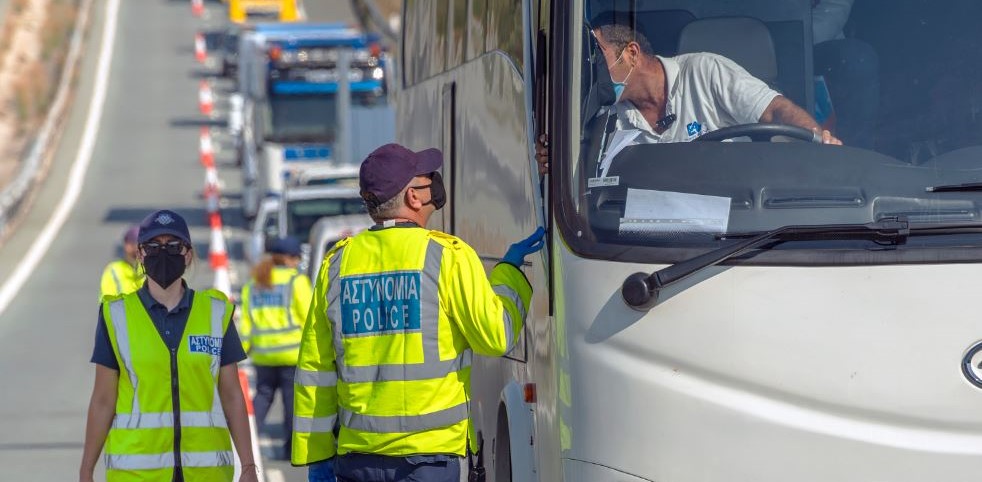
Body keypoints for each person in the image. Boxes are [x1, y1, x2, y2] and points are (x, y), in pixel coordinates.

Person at [291, 143, 545, 482]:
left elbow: (315, 369)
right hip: (429, 460)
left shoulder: (337, 264)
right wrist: (509, 274)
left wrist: (317, 459)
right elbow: (497, 335)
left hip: (358, 459)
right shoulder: (447, 256)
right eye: (428, 178)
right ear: (413, 197)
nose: (434, 184)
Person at [81, 209, 259, 482]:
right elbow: (103, 400)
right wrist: (86, 470)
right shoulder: (115, 316)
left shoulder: (215, 313)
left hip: (206, 473)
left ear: (188, 255)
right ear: (140, 255)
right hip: (135, 473)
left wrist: (248, 466)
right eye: (153, 246)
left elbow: (232, 395)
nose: (163, 253)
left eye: (173, 246)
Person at [536, 15, 842, 175]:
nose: (592, 67)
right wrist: (555, 160)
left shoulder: (705, 71)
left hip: (737, 222)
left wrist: (817, 141)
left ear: (631, 53)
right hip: (652, 240)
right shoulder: (607, 117)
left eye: (598, 54)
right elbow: (585, 182)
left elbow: (774, 110)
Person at [239, 235, 312, 461]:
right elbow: (309, 317)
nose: (297, 263)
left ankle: (246, 439)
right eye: (296, 258)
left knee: (262, 397)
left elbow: (246, 322)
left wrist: (243, 350)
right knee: (292, 403)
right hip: (292, 354)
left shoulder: (254, 283)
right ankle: (290, 450)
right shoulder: (296, 281)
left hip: (263, 354)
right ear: (289, 259)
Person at [812, 0, 879, 149]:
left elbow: (835, 7)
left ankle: (856, 154)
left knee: (858, 60)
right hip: (763, 48)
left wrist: (796, 39)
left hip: (818, 44)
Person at [99, 225, 144, 298]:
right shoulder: (114, 270)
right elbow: (108, 298)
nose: (139, 249)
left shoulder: (147, 268)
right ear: (127, 246)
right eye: (136, 244)